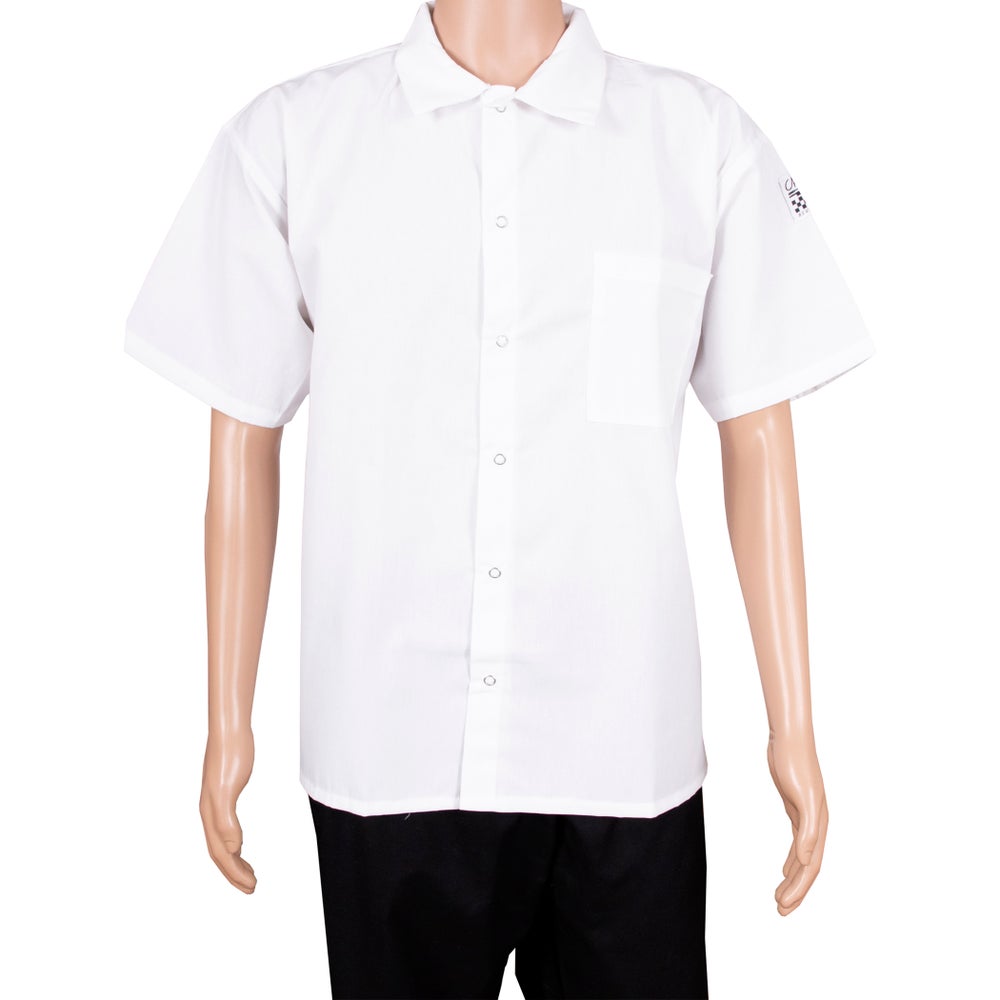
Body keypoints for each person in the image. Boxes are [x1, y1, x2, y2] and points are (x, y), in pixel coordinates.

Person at [124, 1, 875, 996]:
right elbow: (242, 435)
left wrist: (794, 727)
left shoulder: (699, 141)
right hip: (390, 748)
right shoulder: (292, 143)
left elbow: (758, 435)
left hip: (623, 750)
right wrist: (227, 721)